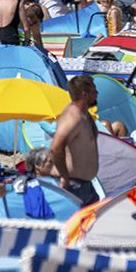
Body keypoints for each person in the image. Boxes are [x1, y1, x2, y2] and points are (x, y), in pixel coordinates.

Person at [47, 74, 101, 205]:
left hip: (84, 185)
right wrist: (64, 177)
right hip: (72, 185)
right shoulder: (72, 116)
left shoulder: (84, 114)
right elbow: (55, 147)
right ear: (84, 94)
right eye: (94, 90)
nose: (97, 93)